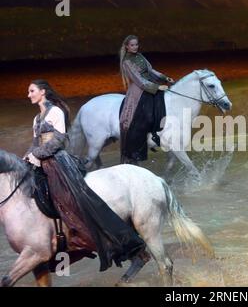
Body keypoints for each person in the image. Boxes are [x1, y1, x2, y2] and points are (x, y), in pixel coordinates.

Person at [24, 79, 145, 271]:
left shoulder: (55, 111)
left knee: (67, 198)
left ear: (43, 92)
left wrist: (36, 154)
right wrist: (27, 157)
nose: (29, 94)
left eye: (32, 91)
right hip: (42, 161)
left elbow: (59, 140)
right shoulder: (37, 118)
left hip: (58, 162)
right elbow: (35, 143)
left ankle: (85, 234)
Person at [119, 35, 174, 164]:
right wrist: (157, 86)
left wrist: (165, 78)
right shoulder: (127, 61)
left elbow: (151, 70)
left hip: (150, 83)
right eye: (132, 45)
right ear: (127, 46)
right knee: (145, 117)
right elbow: (139, 80)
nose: (134, 47)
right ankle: (138, 147)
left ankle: (157, 134)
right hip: (139, 90)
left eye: (136, 44)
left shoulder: (140, 56)